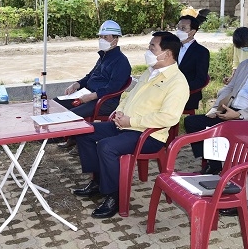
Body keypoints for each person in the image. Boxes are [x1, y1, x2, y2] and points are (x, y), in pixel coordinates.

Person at [72, 31, 189, 218]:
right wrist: (119, 111)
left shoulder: (177, 83)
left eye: (152, 47)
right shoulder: (150, 72)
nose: (148, 50)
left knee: (106, 146)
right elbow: (129, 96)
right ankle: (98, 181)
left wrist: (131, 121)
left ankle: (114, 196)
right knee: (85, 131)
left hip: (149, 135)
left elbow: (168, 117)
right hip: (125, 124)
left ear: (167, 54)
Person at [184, 25, 248, 176]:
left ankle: (231, 168)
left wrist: (240, 115)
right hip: (229, 109)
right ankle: (214, 164)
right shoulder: (246, 64)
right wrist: (217, 108)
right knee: (193, 123)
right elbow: (229, 88)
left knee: (224, 131)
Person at [55, 20, 131, 151]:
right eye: (100, 37)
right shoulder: (104, 56)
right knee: (56, 103)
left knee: (72, 115)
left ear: (116, 39)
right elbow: (91, 76)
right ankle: (72, 139)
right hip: (88, 95)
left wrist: (91, 97)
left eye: (105, 37)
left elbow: (112, 88)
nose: (102, 40)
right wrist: (77, 84)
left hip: (105, 101)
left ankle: (80, 143)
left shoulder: (121, 62)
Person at [175, 15, 210, 112]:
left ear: (192, 32)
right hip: (169, 91)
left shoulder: (201, 52)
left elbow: (200, 79)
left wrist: (180, 88)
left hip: (188, 94)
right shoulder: (173, 48)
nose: (179, 31)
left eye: (183, 28)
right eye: (178, 28)